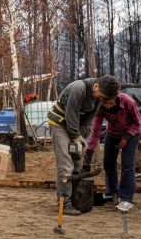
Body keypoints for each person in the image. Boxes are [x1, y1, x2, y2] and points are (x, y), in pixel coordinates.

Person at [47, 75, 120, 215]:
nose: (102, 99)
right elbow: (71, 116)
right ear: (96, 86)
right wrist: (75, 137)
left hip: (74, 126)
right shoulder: (78, 89)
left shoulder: (99, 97)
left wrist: (82, 139)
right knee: (65, 165)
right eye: (102, 95)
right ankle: (64, 203)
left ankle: (75, 198)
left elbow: (88, 120)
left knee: (77, 163)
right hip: (59, 124)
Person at [84, 92, 141, 212]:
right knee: (108, 163)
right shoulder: (101, 106)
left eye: (110, 103)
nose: (108, 107)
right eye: (106, 105)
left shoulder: (128, 102)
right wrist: (89, 151)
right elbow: (96, 130)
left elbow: (138, 123)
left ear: (115, 98)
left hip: (132, 133)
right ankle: (112, 192)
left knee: (127, 164)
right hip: (113, 133)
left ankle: (126, 198)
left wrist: (125, 137)